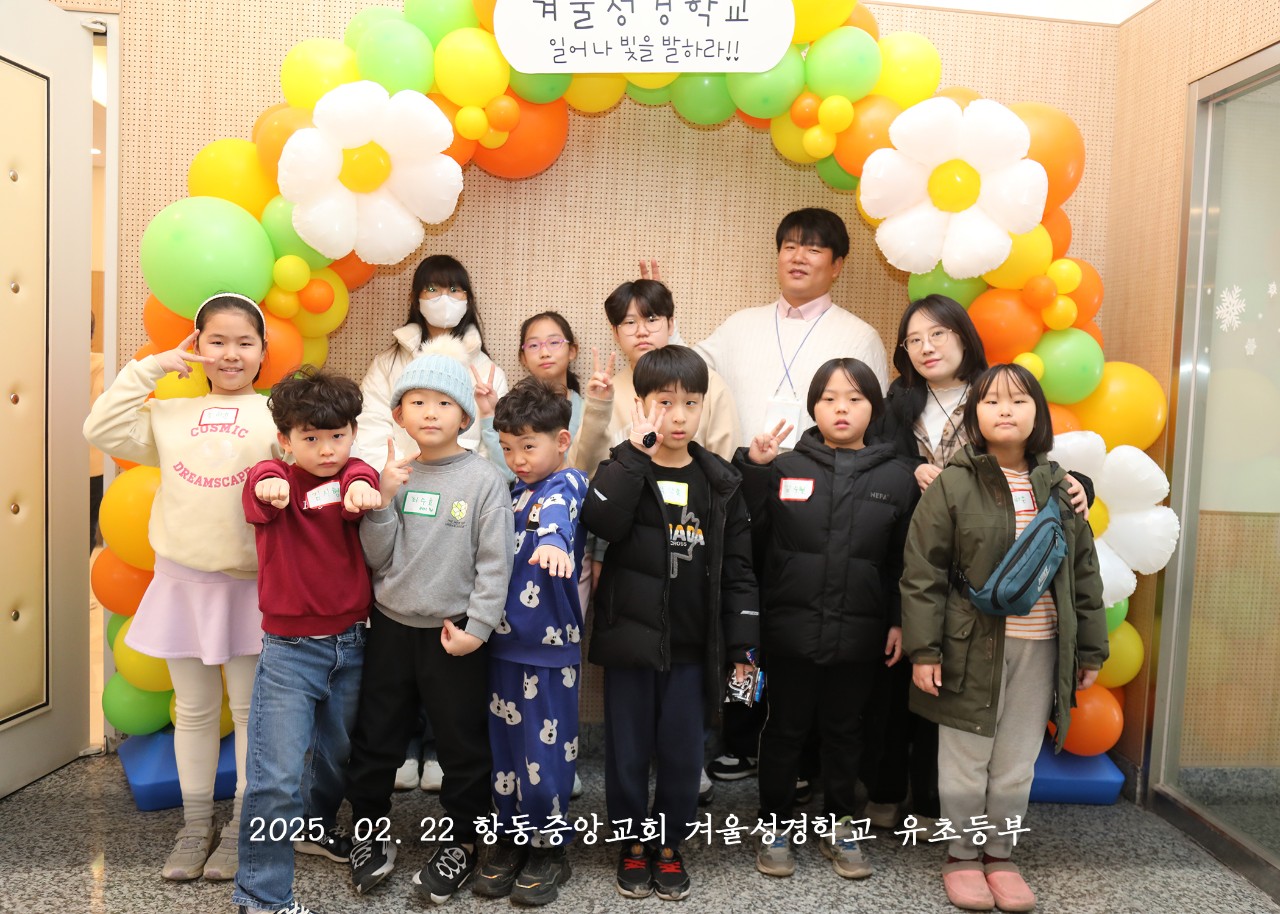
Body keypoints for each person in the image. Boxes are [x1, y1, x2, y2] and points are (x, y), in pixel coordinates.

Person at [862, 294, 1089, 830]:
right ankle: (888, 792)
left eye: (937, 334)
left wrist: (1082, 484)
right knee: (902, 676)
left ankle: (938, 809)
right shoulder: (897, 400)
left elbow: (1034, 460)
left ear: (964, 336)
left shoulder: (995, 391)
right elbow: (870, 458)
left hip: (983, 566)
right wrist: (909, 470)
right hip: (907, 554)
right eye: (913, 340)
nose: (926, 347)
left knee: (959, 690)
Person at [83, 294, 283, 881]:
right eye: (216, 341)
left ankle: (242, 828)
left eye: (245, 342)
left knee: (249, 715)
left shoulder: (277, 414)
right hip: (182, 584)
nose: (231, 354)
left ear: (263, 351)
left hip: (250, 587)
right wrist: (151, 368)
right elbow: (100, 427)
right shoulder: (170, 414)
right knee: (193, 710)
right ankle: (196, 827)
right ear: (196, 346)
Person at [900, 364, 1109, 913]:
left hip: (1042, 647)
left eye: (1018, 400)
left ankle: (1001, 854)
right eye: (991, 401)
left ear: (1038, 413)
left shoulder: (1061, 488)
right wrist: (924, 650)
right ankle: (962, 856)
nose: (1005, 410)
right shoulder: (953, 483)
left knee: (1017, 763)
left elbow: (1083, 573)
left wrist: (1089, 649)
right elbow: (922, 573)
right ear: (975, 416)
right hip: (969, 647)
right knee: (966, 760)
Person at [582, 345, 759, 903]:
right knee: (627, 751)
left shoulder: (720, 481)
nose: (678, 416)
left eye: (691, 403)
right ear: (641, 405)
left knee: (684, 755)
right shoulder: (624, 465)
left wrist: (743, 649)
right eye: (665, 402)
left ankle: (669, 843)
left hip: (692, 647)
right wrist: (635, 455)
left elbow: (739, 572)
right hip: (631, 642)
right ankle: (631, 843)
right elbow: (600, 519)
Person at [343, 338, 514, 904]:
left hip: (454, 634)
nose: (431, 413)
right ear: (399, 415)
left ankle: (462, 841)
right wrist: (384, 498)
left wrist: (478, 630)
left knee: (462, 744)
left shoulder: (484, 480)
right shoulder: (394, 473)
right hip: (391, 627)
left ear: (465, 416)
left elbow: (496, 563)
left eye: (444, 403)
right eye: (417, 402)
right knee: (377, 737)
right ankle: (369, 831)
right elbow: (376, 558)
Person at [735, 358, 918, 881]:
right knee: (784, 728)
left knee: (846, 731)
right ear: (813, 407)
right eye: (830, 398)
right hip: (788, 629)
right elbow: (749, 535)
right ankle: (774, 823)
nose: (842, 408)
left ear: (874, 409)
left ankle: (840, 824)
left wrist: (898, 620)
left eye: (855, 399)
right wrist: (754, 468)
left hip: (861, 630)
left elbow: (902, 561)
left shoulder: (897, 476)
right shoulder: (785, 467)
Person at [232, 369, 381, 914]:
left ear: (353, 433)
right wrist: (268, 479)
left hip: (353, 643)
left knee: (336, 757)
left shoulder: (354, 479)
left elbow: (360, 478)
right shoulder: (274, 481)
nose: (326, 449)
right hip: (290, 652)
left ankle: (314, 828)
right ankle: (262, 898)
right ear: (286, 439)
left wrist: (361, 479)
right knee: (274, 778)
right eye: (310, 438)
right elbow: (260, 484)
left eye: (337, 436)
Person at [471, 379, 588, 906]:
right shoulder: (510, 490)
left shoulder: (568, 483)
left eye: (528, 446)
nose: (517, 459)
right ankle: (511, 839)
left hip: (549, 652)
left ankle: (550, 848)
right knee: (505, 753)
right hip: (501, 646)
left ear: (561, 441)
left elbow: (558, 515)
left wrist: (554, 542)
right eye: (508, 447)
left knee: (546, 754)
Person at [692, 208, 889, 449]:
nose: (798, 257)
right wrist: (659, 316)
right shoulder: (739, 325)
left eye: (813, 250)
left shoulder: (861, 337)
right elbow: (682, 371)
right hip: (739, 469)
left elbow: (877, 427)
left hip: (822, 471)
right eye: (790, 247)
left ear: (836, 266)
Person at [568, 279, 740, 476]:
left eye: (651, 319)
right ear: (615, 332)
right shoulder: (606, 394)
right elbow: (583, 471)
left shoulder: (708, 383)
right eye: (630, 322)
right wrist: (598, 407)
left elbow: (727, 470)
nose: (642, 332)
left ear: (671, 324)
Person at [356, 254, 508, 468]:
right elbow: (371, 430)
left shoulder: (488, 372)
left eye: (454, 290)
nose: (444, 298)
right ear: (415, 298)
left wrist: (468, 479)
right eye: (432, 289)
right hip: (401, 481)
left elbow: (498, 445)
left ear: (468, 300)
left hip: (469, 484)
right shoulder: (386, 364)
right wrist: (402, 476)